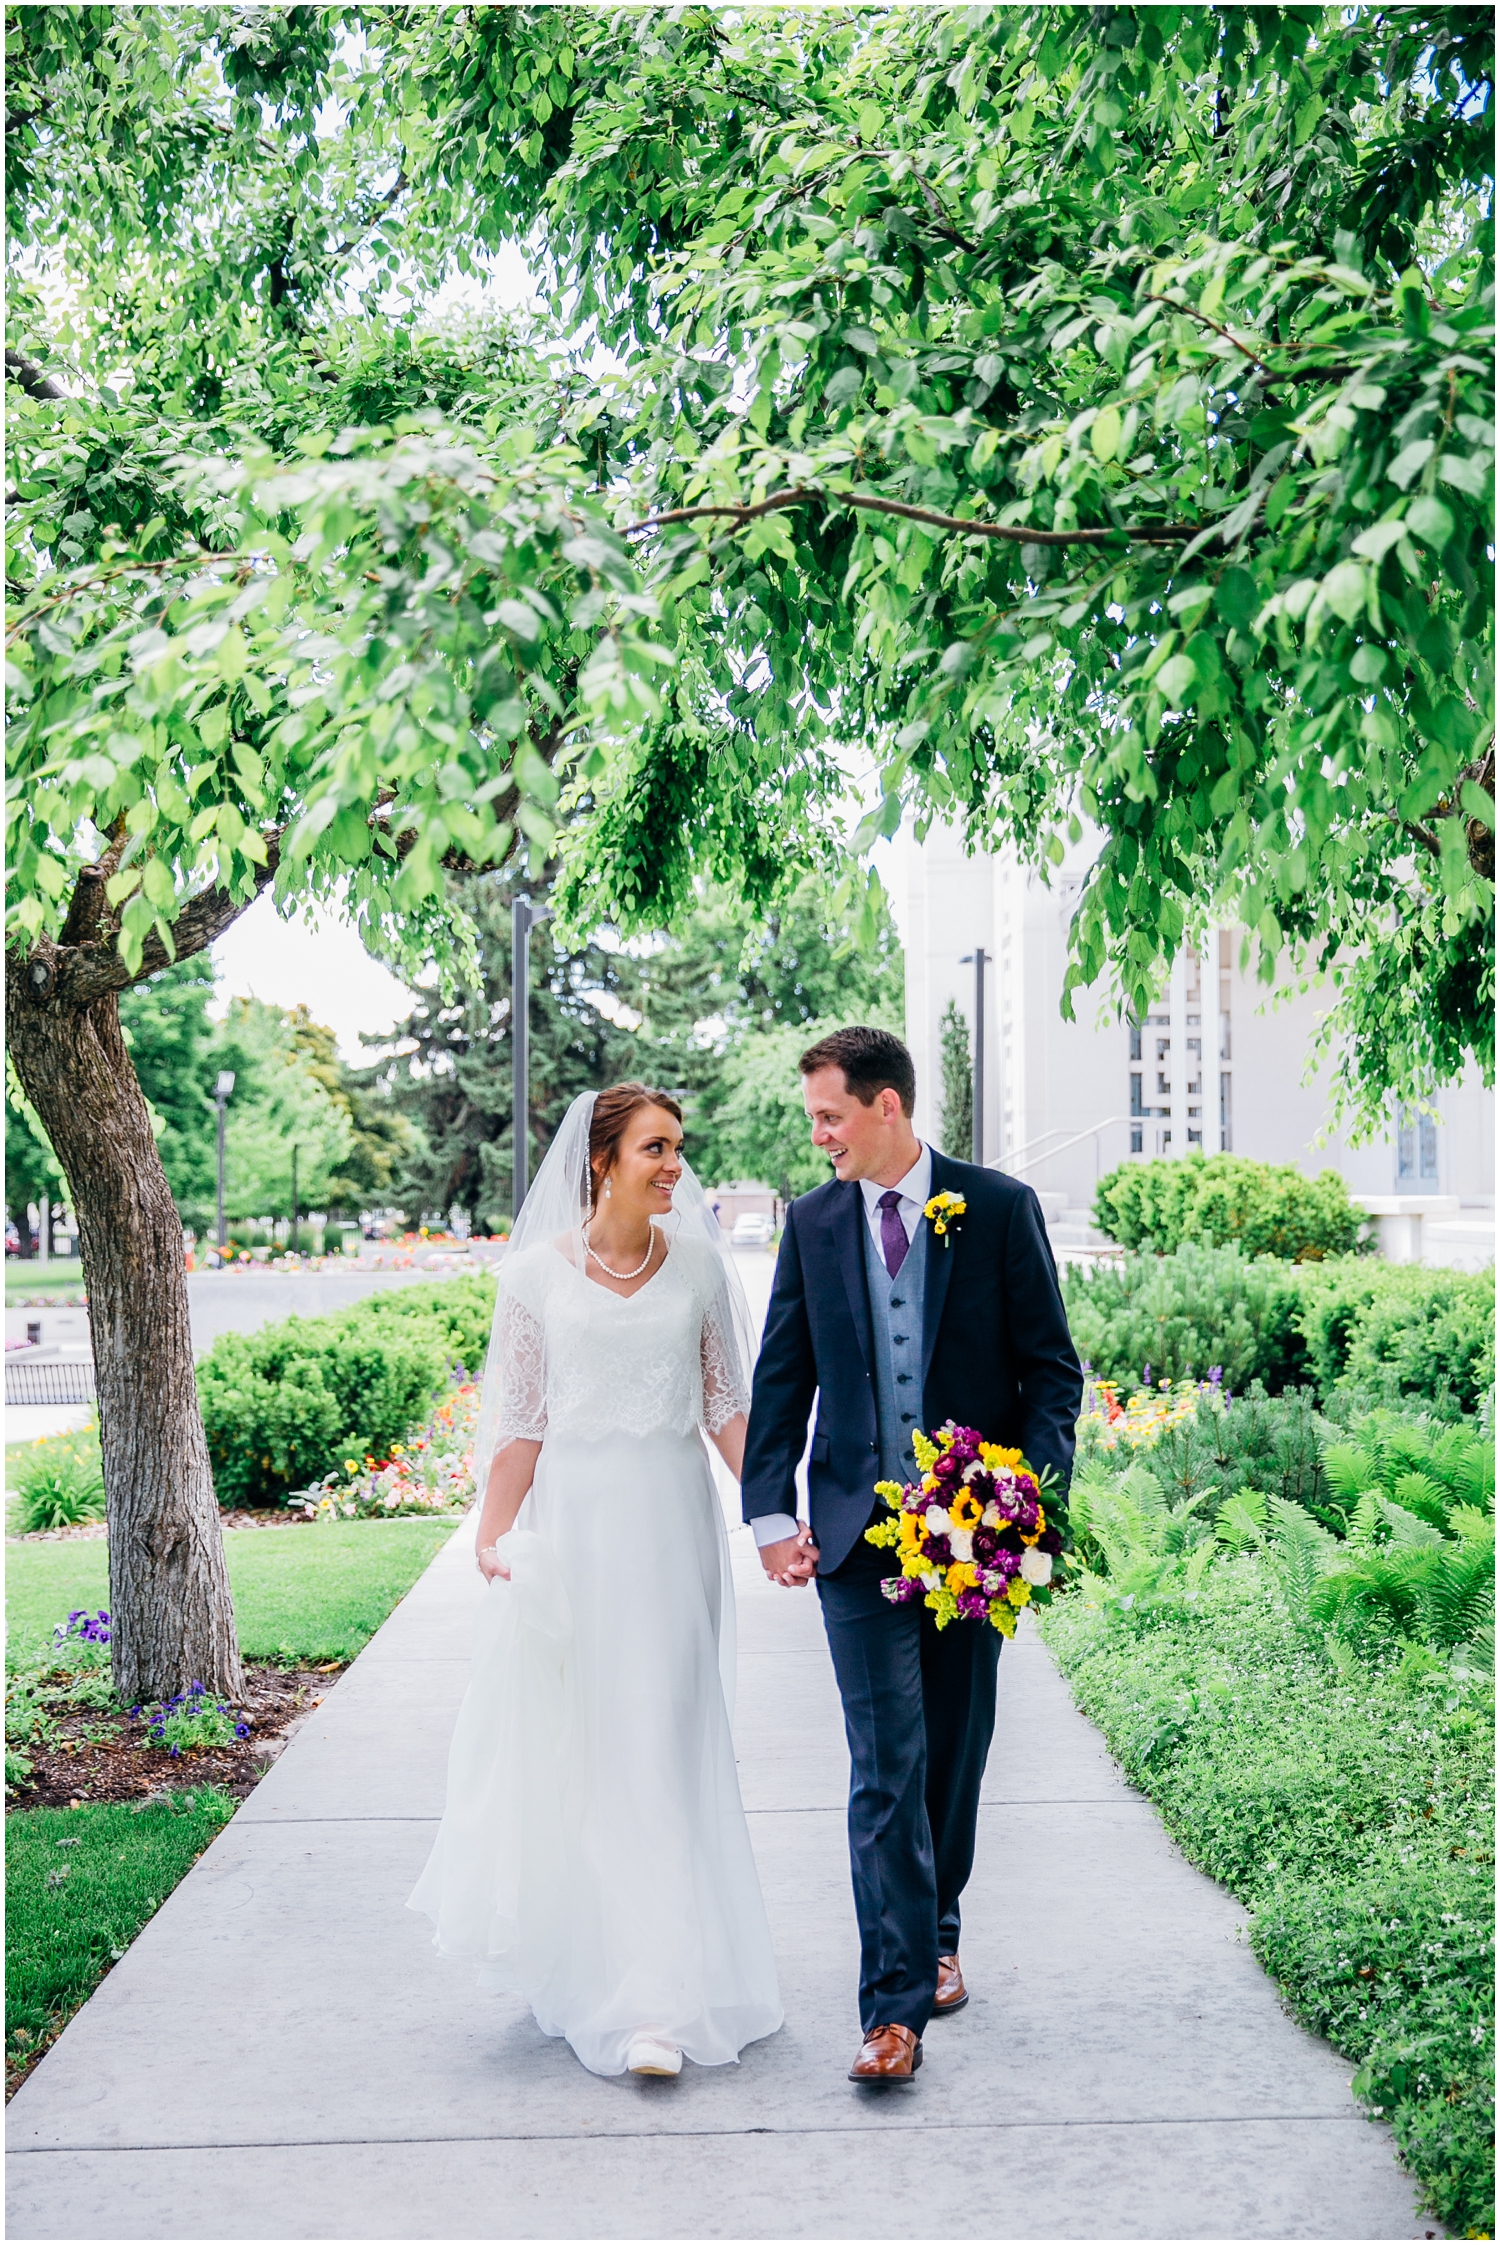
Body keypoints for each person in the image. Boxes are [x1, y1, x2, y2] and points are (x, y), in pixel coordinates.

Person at [409, 1084, 783, 2080]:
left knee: (662, 1744)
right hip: (578, 1538)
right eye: (656, 1148)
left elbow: (726, 1414)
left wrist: (786, 1516)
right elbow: (522, 1425)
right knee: (597, 1755)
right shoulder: (534, 1277)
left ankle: (660, 2003)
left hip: (670, 1536)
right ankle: (608, 1979)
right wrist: (491, 1536)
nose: (676, 1165)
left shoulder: (700, 1269)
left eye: (679, 1147)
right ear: (603, 1161)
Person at [741, 1026, 1082, 2085]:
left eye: (830, 1115)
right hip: (853, 1540)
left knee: (954, 1750)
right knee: (885, 1765)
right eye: (813, 1119)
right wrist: (770, 1510)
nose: (819, 1135)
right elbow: (784, 1369)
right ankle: (892, 2010)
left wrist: (1030, 1506)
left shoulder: (997, 1209)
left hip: (974, 1544)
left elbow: (1051, 1374)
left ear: (886, 1108)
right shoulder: (814, 1221)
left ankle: (938, 1929)